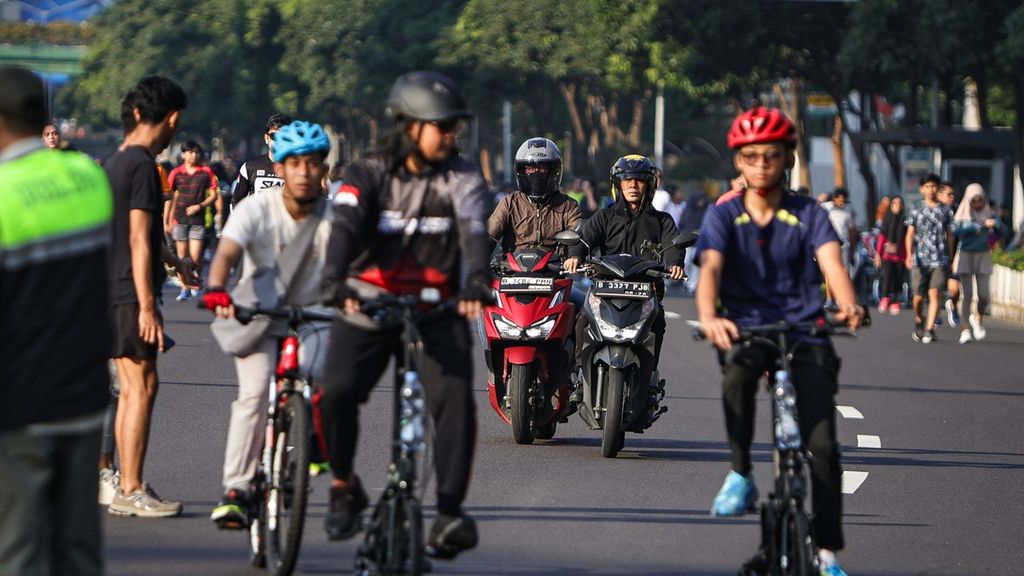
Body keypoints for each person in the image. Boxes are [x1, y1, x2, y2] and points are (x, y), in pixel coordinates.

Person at [318, 71, 490, 558]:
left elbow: (475, 228)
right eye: (443, 126)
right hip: (367, 302)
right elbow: (346, 226)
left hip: (437, 309)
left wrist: (478, 279)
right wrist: (334, 279)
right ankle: (343, 485)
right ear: (410, 126)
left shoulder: (462, 175)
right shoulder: (368, 171)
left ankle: (450, 513)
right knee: (335, 393)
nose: (452, 135)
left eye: (455, 127)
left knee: (456, 400)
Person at [695, 107, 863, 576]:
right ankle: (742, 472)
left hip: (806, 329)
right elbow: (710, 269)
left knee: (824, 446)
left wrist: (848, 304)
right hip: (747, 327)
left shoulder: (808, 212)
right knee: (737, 374)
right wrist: (709, 317)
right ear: (739, 163)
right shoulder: (724, 213)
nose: (762, 164)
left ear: (788, 157)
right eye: (751, 156)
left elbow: (832, 264)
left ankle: (827, 552)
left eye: (772, 155)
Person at [0, 65, 113, 576]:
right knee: (78, 549)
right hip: (84, 396)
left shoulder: (4, 193)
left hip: (21, 403)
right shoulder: (86, 178)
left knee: (20, 550)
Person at [201, 121, 334, 528]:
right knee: (255, 394)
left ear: (322, 169)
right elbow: (226, 251)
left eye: (313, 164)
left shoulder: (335, 214)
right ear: (278, 167)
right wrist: (217, 287)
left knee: (331, 379)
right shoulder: (256, 208)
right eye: (294, 163)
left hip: (313, 314)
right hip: (259, 314)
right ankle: (237, 489)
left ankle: (313, 439)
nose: (304, 172)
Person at [105, 75, 193, 517]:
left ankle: (125, 482)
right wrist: (146, 305)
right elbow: (139, 238)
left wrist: (175, 261)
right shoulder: (142, 164)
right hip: (128, 291)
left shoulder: (116, 161)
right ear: (172, 119)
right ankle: (131, 488)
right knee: (140, 387)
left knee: (135, 387)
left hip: (110, 287)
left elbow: (130, 231)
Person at [563, 154, 684, 387]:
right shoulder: (604, 216)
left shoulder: (662, 220)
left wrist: (675, 263)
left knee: (658, 322)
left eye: (639, 181)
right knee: (581, 321)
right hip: (605, 288)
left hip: (645, 290)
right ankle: (578, 375)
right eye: (627, 181)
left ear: (650, 185)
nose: (633, 186)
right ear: (617, 185)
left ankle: (648, 378)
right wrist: (575, 257)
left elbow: (673, 245)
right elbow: (584, 239)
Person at [487, 137, 582, 253]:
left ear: (553, 172)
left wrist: (574, 257)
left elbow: (579, 235)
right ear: (521, 171)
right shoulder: (509, 203)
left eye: (542, 168)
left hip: (553, 268)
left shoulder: (568, 205)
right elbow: (489, 236)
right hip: (513, 268)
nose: (536, 173)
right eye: (530, 168)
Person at [166, 140, 219, 301]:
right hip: (179, 219)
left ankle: (196, 281)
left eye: (197, 152)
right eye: (191, 152)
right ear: (183, 154)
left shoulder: (206, 172)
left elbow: (214, 195)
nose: (194, 155)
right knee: (182, 257)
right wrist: (166, 220)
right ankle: (185, 287)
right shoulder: (176, 173)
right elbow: (169, 197)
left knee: (195, 257)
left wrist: (200, 206)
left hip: (198, 220)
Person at [905, 173, 954, 344]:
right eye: (927, 186)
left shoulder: (945, 210)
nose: (931, 190)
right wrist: (908, 254)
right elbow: (910, 233)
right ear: (922, 189)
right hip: (920, 258)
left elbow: (949, 235)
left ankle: (929, 329)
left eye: (934, 186)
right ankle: (919, 317)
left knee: (935, 293)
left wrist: (951, 256)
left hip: (940, 258)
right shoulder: (916, 208)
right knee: (918, 295)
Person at [952, 183, 1002, 344]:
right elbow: (955, 230)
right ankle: (965, 329)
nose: (978, 203)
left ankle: (978, 317)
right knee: (966, 295)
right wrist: (974, 226)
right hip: (966, 254)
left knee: (984, 295)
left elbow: (1003, 227)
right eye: (974, 200)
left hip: (983, 254)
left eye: (980, 200)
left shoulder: (989, 213)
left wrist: (995, 223)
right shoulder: (962, 214)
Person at [232, 113, 292, 209]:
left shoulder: (298, 169)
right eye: (274, 136)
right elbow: (236, 203)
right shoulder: (250, 167)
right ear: (266, 138)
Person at [874, 195, 907, 314]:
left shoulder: (905, 221)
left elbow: (907, 239)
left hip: (900, 255)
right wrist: (878, 254)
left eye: (899, 204)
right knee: (887, 276)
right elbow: (882, 237)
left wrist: (907, 255)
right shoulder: (887, 219)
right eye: (894, 203)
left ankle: (895, 301)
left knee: (898, 278)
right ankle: (884, 298)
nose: (897, 206)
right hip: (887, 255)